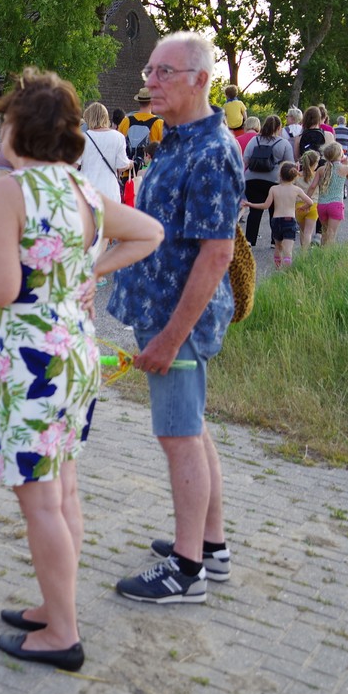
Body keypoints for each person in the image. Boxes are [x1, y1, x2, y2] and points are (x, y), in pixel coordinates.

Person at [0, 68, 163, 670]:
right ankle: (56, 608)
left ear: (19, 129)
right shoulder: (81, 190)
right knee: (64, 488)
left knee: (40, 503)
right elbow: (149, 233)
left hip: (32, 364)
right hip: (75, 355)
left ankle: (62, 633)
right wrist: (90, 272)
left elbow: (1, 289)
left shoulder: (12, 191)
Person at [107, 32, 244, 605]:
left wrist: (169, 337)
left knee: (178, 434)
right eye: (150, 70)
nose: (150, 81)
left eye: (164, 72)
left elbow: (217, 254)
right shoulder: (178, 139)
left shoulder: (212, 151)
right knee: (192, 427)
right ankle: (210, 546)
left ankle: (186, 571)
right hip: (160, 311)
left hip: (177, 321)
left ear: (200, 80)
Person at [244, 161, 315, 268]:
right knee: (288, 249)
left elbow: (265, 205)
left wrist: (250, 204)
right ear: (295, 176)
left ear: (280, 174)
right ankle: (287, 270)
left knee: (278, 247)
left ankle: (278, 268)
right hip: (289, 220)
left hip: (276, 221)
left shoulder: (274, 189)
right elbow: (310, 202)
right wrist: (303, 207)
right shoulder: (296, 190)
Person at [240, 115, 290, 248]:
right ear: (279, 128)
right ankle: (275, 240)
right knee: (275, 210)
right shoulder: (284, 143)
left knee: (254, 210)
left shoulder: (254, 140)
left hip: (252, 179)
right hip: (274, 180)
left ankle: (249, 239)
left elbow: (246, 160)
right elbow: (289, 164)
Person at [77, 101, 131, 207]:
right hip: (110, 192)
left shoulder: (82, 138)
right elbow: (122, 166)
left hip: (88, 192)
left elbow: (73, 166)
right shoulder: (118, 137)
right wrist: (130, 164)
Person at [313, 142, 348, 245]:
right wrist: (347, 166)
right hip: (336, 204)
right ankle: (329, 254)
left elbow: (313, 186)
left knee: (324, 232)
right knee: (331, 234)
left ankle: (322, 252)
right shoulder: (345, 168)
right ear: (340, 154)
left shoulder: (321, 169)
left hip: (322, 204)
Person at [119, 88, 163, 168]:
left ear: (139, 101)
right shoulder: (159, 123)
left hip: (127, 170)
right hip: (148, 171)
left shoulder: (126, 121)